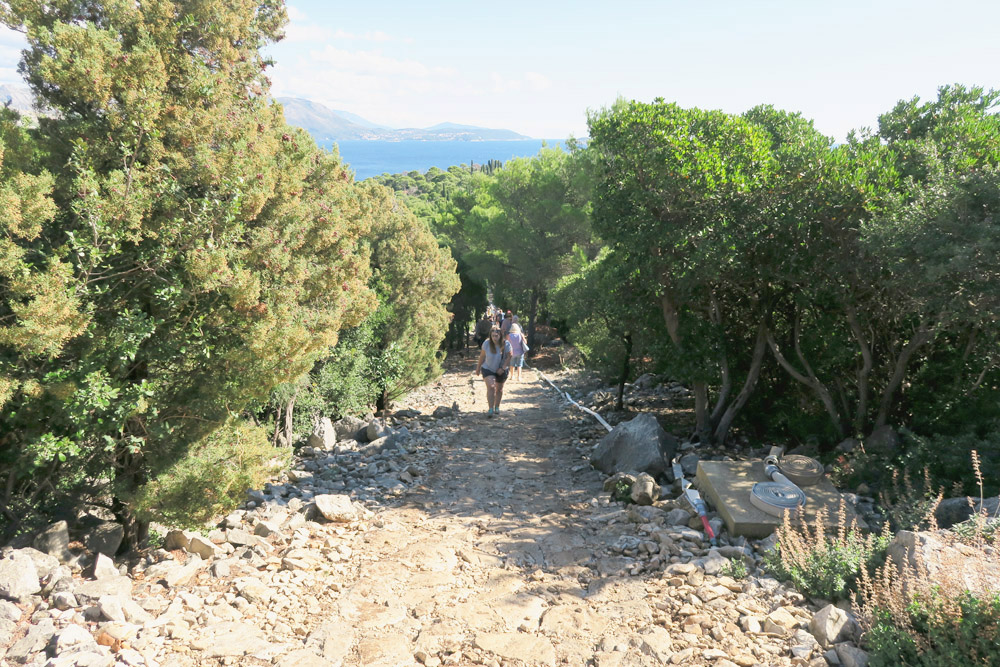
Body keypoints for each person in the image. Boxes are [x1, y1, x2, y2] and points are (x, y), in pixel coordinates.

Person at [475, 326, 511, 416]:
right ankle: (490, 409)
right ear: (490, 336)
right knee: (491, 387)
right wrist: (478, 368)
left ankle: (497, 407)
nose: (495, 337)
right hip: (488, 368)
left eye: (497, 335)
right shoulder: (486, 343)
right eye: (493, 335)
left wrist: (503, 368)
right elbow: (482, 356)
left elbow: (509, 356)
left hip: (501, 369)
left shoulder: (506, 344)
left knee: (499, 389)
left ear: (500, 335)